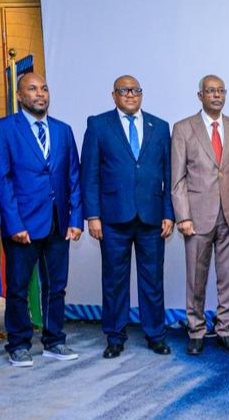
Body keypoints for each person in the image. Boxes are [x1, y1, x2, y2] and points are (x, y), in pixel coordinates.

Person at [0, 72, 83, 367]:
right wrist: (14, 223)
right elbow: (2, 180)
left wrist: (75, 218)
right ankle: (18, 344)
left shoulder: (63, 130)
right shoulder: (3, 129)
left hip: (58, 222)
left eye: (44, 88)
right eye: (32, 88)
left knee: (56, 286)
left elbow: (74, 176)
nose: (40, 93)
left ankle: (54, 341)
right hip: (23, 224)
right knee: (18, 288)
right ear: (19, 96)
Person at [81, 75, 173, 359]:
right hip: (112, 218)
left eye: (135, 90)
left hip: (151, 217)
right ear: (114, 95)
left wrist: (168, 213)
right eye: (124, 90)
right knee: (114, 281)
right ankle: (115, 336)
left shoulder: (160, 126)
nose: (131, 95)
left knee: (153, 280)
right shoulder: (98, 125)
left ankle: (155, 335)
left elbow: (169, 175)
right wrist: (92, 216)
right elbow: (89, 174)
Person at [171, 74, 229, 356]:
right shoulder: (183, 128)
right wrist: (183, 216)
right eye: (211, 91)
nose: (216, 95)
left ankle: (225, 329)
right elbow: (177, 178)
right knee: (196, 278)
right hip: (197, 216)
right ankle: (196, 330)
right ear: (200, 95)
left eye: (221, 91)